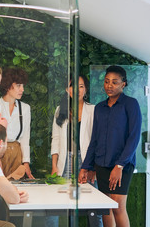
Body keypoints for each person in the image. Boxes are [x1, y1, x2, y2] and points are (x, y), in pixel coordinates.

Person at [78, 65, 142, 227]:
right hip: (101, 164)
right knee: (105, 208)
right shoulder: (100, 107)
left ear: (123, 84)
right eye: (107, 82)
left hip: (122, 165)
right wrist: (86, 167)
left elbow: (134, 138)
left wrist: (119, 166)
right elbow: (94, 140)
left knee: (118, 206)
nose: (109, 85)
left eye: (114, 82)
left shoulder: (131, 104)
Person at [50, 75, 102, 227]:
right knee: (67, 203)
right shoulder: (60, 110)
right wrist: (54, 165)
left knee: (93, 204)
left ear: (85, 89)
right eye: (73, 86)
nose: (77, 90)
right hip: (65, 161)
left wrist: (93, 167)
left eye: (81, 86)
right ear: (67, 89)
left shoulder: (93, 110)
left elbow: (97, 141)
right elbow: (56, 139)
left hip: (86, 161)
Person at [0, 68, 34, 179]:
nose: (22, 89)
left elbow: (25, 138)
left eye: (23, 86)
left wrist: (26, 163)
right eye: (18, 85)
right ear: (8, 86)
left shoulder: (25, 109)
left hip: (16, 155)